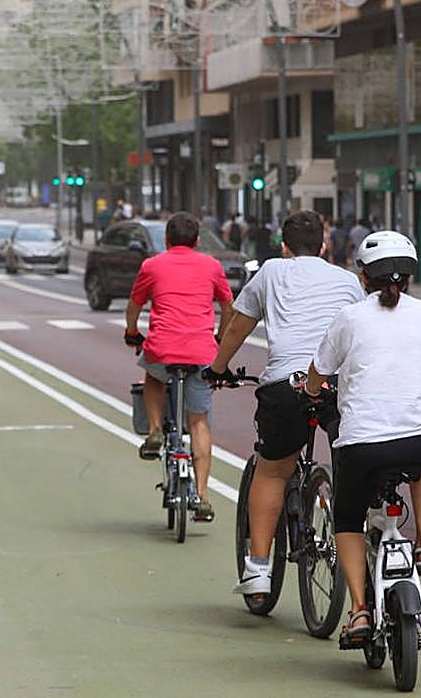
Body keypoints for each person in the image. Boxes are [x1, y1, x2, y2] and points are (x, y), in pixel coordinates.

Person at [304, 231, 421, 647]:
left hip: (362, 444)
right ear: (408, 277)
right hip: (420, 439)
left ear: (363, 277)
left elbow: (320, 371)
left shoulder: (350, 317)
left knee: (348, 517)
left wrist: (313, 391)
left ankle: (358, 612)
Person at [208, 210, 364, 596]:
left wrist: (217, 368)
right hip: (337, 385)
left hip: (286, 385)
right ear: (325, 246)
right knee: (351, 459)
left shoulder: (271, 272)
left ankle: (258, 570)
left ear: (283, 245)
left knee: (274, 471)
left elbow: (238, 327)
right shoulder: (347, 280)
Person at [124, 212, 234, 524]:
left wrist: (132, 331)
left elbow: (135, 305)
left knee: (153, 374)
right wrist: (220, 338)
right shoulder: (212, 266)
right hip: (202, 351)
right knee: (199, 422)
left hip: (163, 348)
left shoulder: (152, 265)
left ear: (167, 240)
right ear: (197, 240)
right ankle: (201, 495)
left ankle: (156, 430)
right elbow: (228, 305)